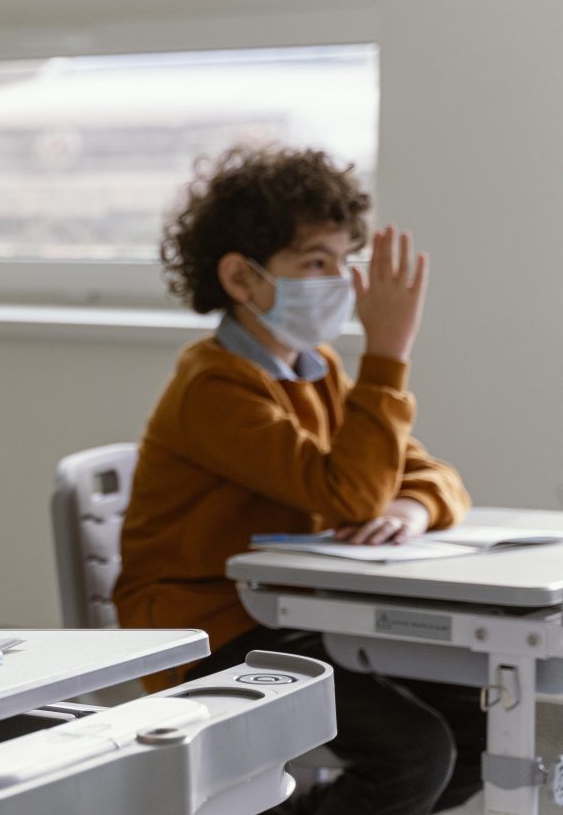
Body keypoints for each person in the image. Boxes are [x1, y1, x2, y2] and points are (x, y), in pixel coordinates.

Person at [112, 145, 483, 815]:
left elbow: (434, 476)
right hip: (209, 628)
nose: (342, 280)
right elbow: (346, 492)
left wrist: (413, 509)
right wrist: (389, 355)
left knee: (476, 724)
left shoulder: (318, 370)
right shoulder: (215, 385)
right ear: (242, 277)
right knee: (413, 752)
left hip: (296, 611)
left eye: (345, 260)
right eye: (317, 262)